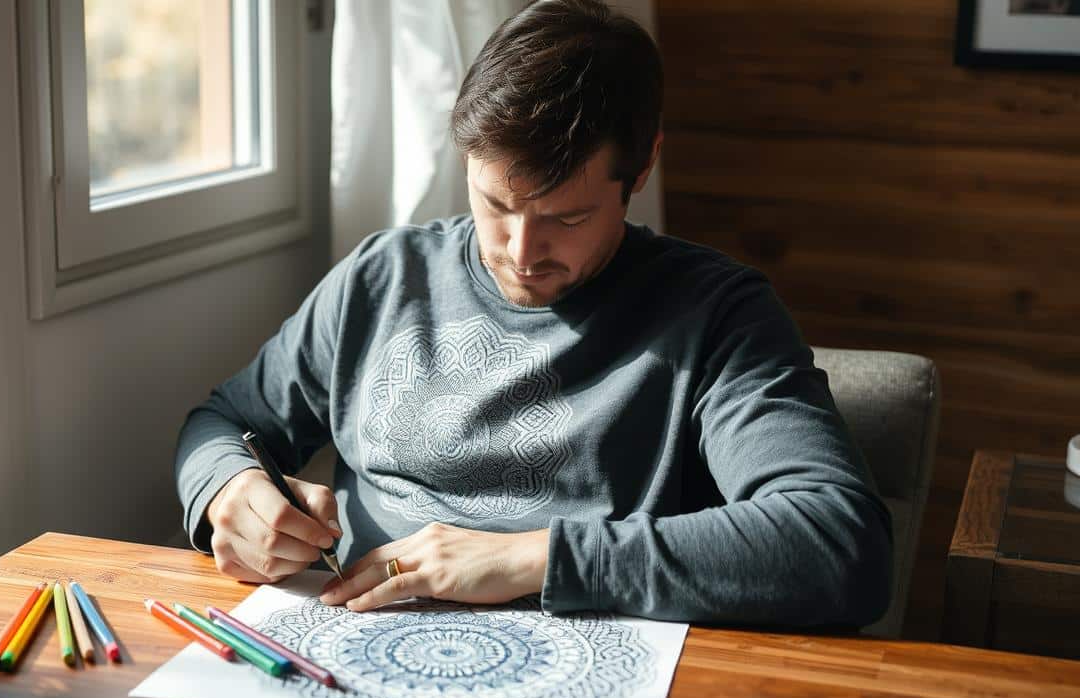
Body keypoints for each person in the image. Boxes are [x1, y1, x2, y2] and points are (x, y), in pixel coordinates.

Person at [175, 0, 891, 626]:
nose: (522, 252)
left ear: (641, 170)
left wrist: (532, 558)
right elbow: (224, 421)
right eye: (495, 205)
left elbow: (839, 541)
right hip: (350, 650)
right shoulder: (380, 278)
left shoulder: (717, 315)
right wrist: (228, 490)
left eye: (567, 218)